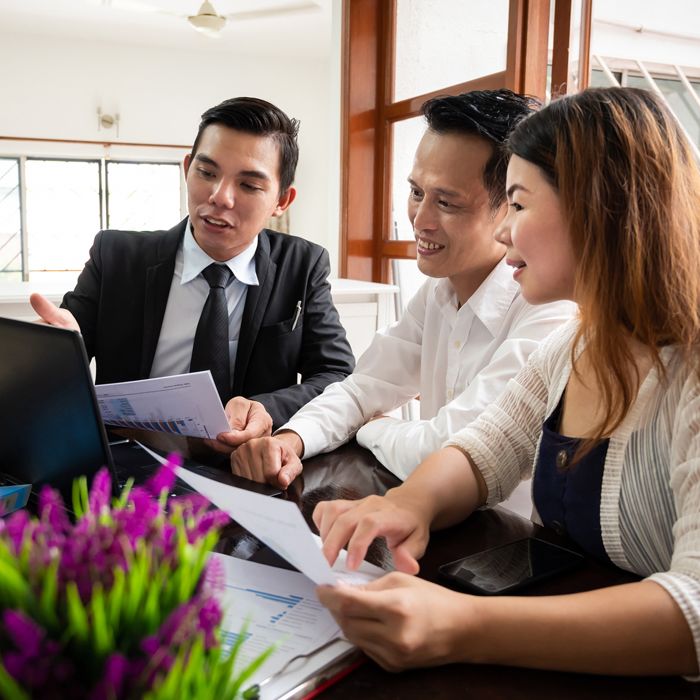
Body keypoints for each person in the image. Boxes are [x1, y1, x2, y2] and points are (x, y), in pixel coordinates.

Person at [312, 87, 700, 678]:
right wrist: (407, 504)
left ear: (599, 208)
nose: (501, 234)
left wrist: (461, 626)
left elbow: (694, 610)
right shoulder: (572, 348)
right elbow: (482, 452)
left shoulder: (689, 373)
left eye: (516, 205)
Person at [232, 89, 574, 490]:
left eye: (447, 203)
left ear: (509, 206)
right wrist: (292, 440)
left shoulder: (550, 309)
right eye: (416, 192)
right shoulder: (439, 292)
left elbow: (448, 450)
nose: (420, 219)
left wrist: (374, 429)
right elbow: (363, 388)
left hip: (505, 540)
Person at [30, 96, 355, 446]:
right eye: (207, 172)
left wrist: (264, 409)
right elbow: (69, 344)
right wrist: (57, 348)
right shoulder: (117, 257)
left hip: (244, 468)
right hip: (126, 463)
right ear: (187, 168)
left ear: (282, 201)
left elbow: (336, 375)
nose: (219, 196)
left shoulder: (302, 266)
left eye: (248, 185)